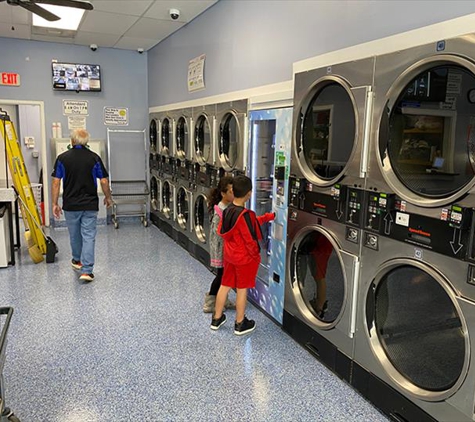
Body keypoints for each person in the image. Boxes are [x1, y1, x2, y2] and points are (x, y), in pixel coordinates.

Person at [210, 175, 275, 335]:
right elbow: (250, 240)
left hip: (230, 256)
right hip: (244, 259)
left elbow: (244, 224)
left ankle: (216, 319)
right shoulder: (246, 215)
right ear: (249, 193)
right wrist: (256, 257)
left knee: (224, 286)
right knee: (242, 289)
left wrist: (267, 217)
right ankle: (240, 323)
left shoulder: (227, 210)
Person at [51, 129, 113, 282]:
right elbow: (104, 181)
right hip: (90, 204)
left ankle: (77, 260)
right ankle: (87, 271)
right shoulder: (94, 158)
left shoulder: (62, 158)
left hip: (70, 205)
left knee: (74, 234)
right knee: (88, 236)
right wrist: (108, 197)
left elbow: (56, 182)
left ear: (72, 141)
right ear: (87, 142)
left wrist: (54, 203)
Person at [203, 176, 236, 313]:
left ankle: (222, 299)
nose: (234, 194)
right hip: (221, 248)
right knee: (221, 275)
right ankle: (210, 301)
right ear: (223, 193)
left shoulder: (228, 207)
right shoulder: (220, 211)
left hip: (225, 247)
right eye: (231, 192)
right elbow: (218, 235)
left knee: (225, 275)